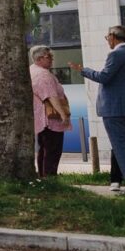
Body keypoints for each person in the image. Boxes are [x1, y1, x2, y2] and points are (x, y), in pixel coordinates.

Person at [69, 25, 125, 196]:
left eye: (107, 38)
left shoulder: (116, 54)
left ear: (112, 36)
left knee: (121, 148)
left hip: (114, 109)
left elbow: (104, 77)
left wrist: (83, 70)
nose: (107, 42)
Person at [29, 46, 71, 177]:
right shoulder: (43, 74)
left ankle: (44, 176)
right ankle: (50, 178)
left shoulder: (32, 70)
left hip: (40, 119)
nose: (52, 59)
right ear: (39, 58)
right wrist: (63, 115)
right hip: (50, 119)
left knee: (43, 149)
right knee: (52, 150)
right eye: (49, 56)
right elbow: (50, 96)